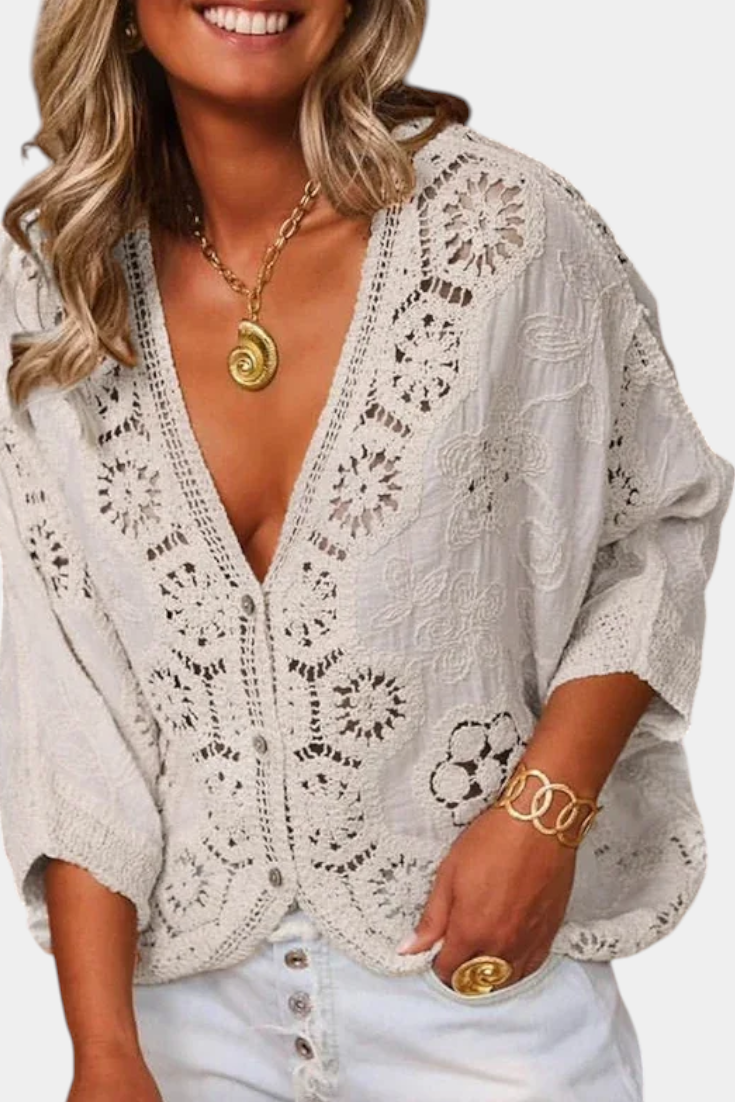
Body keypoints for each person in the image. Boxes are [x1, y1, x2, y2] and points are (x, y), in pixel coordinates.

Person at [0, 1, 732, 1100]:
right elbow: (63, 704)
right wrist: (103, 1049)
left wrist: (544, 812)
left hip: (481, 993)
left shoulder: (504, 234)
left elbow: (657, 521)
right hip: (183, 1022)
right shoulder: (53, 294)